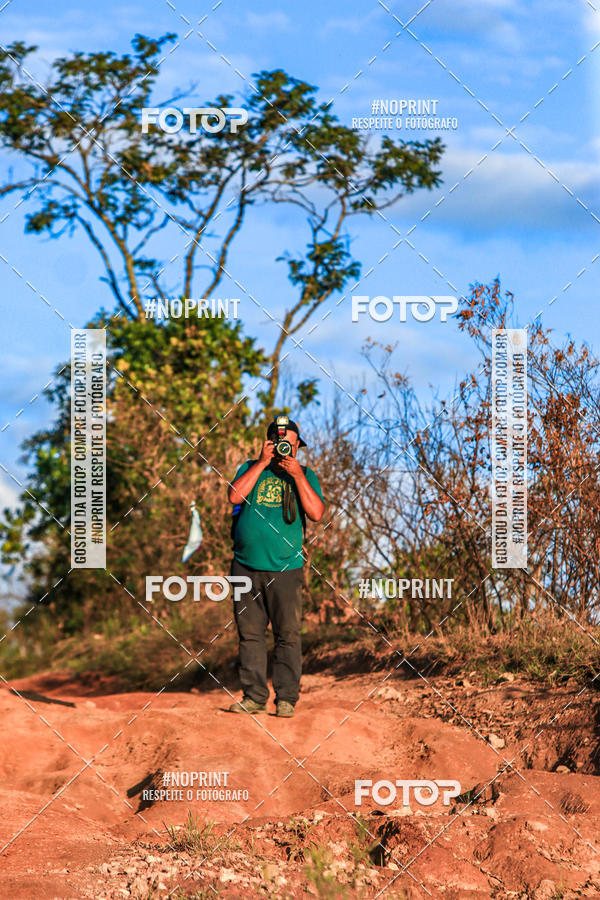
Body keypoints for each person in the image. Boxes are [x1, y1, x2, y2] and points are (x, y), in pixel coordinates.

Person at [227, 416, 324, 718]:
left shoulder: (305, 474)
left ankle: (286, 699)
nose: (285, 449)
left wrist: (297, 476)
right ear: (268, 443)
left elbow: (317, 513)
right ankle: (254, 696)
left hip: (286, 566)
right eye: (279, 443)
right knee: (250, 634)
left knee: (288, 634)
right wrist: (260, 462)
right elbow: (233, 495)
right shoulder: (248, 468)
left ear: (298, 447)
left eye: (290, 445)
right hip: (244, 566)